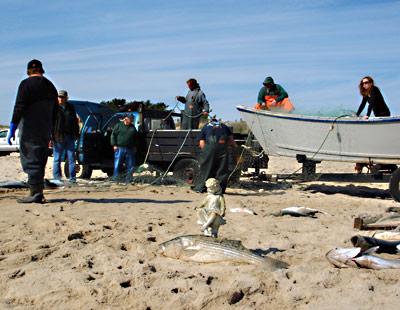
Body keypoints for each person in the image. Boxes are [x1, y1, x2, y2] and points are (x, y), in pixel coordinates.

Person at [7, 59, 58, 203]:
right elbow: (56, 111)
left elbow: (19, 106)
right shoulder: (50, 86)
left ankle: (35, 193)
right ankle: (38, 192)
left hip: (30, 127)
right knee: (40, 157)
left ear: (29, 71)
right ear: (41, 70)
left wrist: (13, 126)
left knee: (30, 157)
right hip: (45, 127)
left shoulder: (26, 84)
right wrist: (52, 130)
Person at [354, 76, 391, 173]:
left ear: (371, 83)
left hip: (384, 114)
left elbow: (372, 104)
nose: (365, 85)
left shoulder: (375, 90)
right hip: (377, 116)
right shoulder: (366, 93)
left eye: (366, 82)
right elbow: (363, 104)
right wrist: (356, 115)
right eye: (363, 83)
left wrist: (367, 115)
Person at [192, 117, 237, 194]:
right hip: (223, 148)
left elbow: (201, 142)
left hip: (210, 148)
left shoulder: (206, 126)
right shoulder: (224, 126)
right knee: (222, 169)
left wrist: (206, 152)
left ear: (210, 121)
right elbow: (231, 141)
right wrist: (234, 147)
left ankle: (200, 188)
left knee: (206, 169)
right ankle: (220, 190)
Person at [52, 90, 80, 183]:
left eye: (63, 97)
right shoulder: (54, 108)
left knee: (71, 158)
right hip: (58, 136)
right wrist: (50, 137)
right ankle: (57, 178)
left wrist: (77, 134)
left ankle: (72, 179)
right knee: (57, 159)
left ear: (66, 98)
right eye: (59, 97)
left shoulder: (71, 107)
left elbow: (75, 122)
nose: (61, 99)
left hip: (70, 136)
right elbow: (50, 123)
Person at [111, 114, 138, 183]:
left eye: (132, 119)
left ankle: (129, 179)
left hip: (130, 149)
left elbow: (135, 137)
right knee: (117, 164)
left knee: (130, 164)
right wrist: (114, 145)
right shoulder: (118, 125)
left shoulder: (132, 127)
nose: (131, 121)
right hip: (119, 148)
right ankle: (116, 179)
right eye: (130, 119)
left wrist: (135, 146)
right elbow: (113, 135)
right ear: (126, 119)